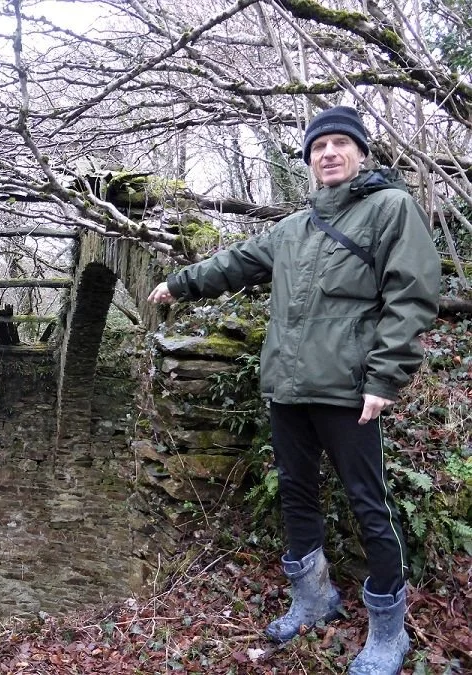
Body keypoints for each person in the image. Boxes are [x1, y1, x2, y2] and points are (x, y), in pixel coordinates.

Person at [148, 106, 440, 675]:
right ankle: (313, 598)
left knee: (368, 506)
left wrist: (385, 377)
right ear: (308, 161)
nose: (328, 153)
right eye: (317, 147)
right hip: (288, 388)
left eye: (339, 144)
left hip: (350, 393)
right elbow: (234, 262)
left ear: (360, 153)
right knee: (297, 495)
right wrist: (178, 283)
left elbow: (411, 297)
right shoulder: (293, 228)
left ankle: (388, 631)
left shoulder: (390, 210)